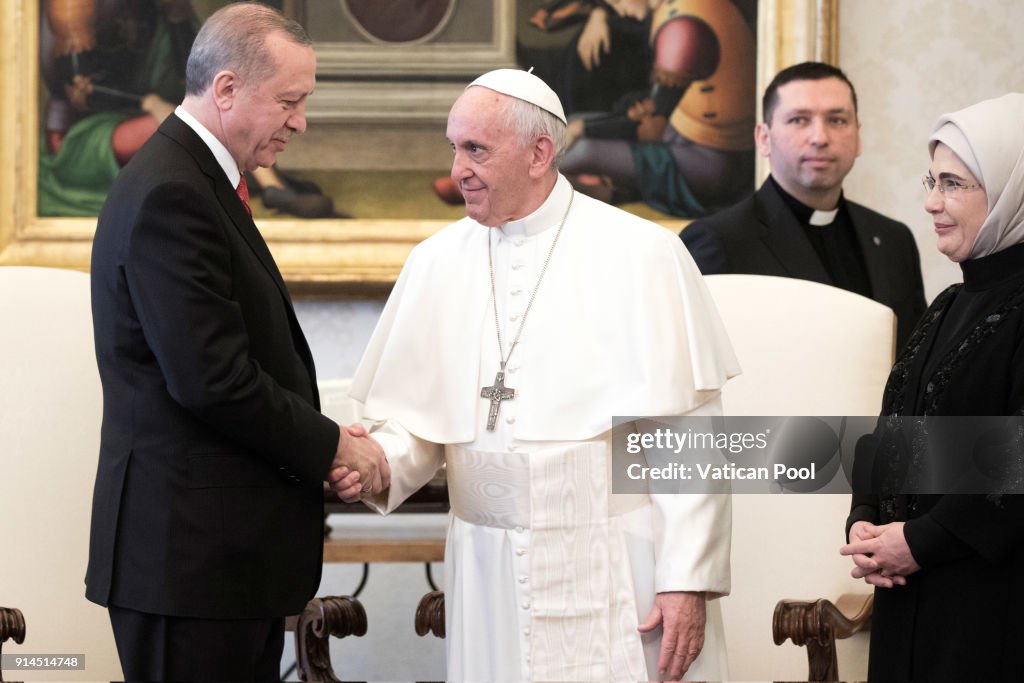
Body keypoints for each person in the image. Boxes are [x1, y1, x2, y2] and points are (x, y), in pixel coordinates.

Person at [342, 68, 739, 682]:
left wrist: (686, 580)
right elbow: (423, 424)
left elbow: (687, 436)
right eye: (454, 147)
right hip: (487, 566)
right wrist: (378, 463)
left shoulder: (643, 254)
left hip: (615, 557)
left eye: (476, 149)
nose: (457, 170)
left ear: (539, 153)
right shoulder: (435, 264)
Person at [86, 4, 387, 679]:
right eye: (289, 100)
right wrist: (331, 444)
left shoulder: (193, 180)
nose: (300, 121)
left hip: (217, 566)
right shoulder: (173, 192)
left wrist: (324, 436)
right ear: (226, 89)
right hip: (189, 567)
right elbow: (213, 378)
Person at [841, 93, 1024, 682]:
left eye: (953, 184)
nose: (931, 203)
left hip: (992, 610)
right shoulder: (946, 303)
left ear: (1008, 191)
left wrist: (919, 541)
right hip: (908, 599)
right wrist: (865, 520)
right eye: (932, 180)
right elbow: (891, 433)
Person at [681, 62, 926, 349]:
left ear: (858, 137)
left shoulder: (894, 239)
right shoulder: (718, 242)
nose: (820, 138)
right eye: (799, 120)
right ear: (763, 139)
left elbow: (916, 358)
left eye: (837, 120)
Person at [561, 0, 758, 216]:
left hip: (715, 162)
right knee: (570, 125)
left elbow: (650, 125)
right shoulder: (672, 9)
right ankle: (609, 196)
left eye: (616, 2)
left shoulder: (681, 29)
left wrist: (582, 129)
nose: (617, 11)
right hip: (683, 133)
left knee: (578, 151)